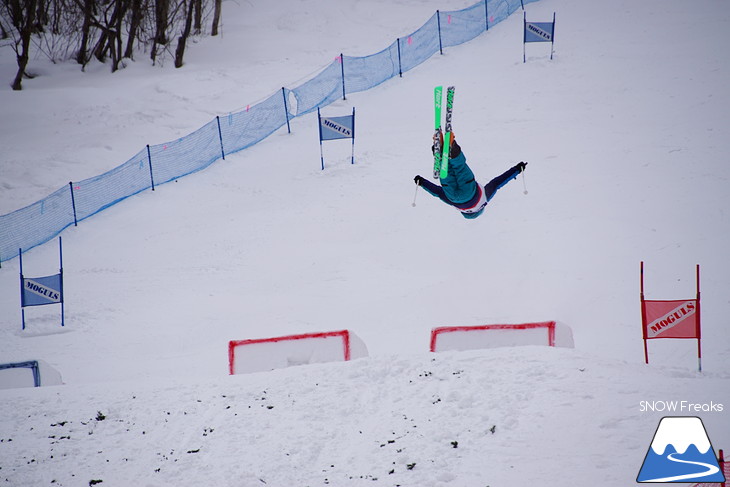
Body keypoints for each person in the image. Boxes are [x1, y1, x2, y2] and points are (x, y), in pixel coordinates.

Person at [414, 132, 527, 219]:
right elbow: (437, 193)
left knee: (460, 167)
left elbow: (497, 183)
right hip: (452, 197)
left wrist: (517, 169)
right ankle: (438, 150)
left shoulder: (484, 200)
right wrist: (422, 182)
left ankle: (453, 148)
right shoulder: (457, 207)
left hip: (471, 192)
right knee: (446, 170)